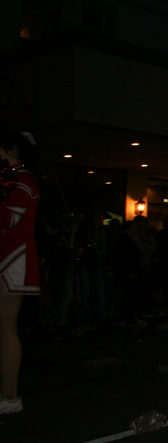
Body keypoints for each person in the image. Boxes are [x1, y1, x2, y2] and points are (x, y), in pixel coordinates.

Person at [0, 130, 42, 414]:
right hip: (7, 257)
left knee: (5, 328)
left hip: (13, 260)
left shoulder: (23, 178)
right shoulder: (10, 177)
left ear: (11, 150)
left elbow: (9, 217)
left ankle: (10, 397)